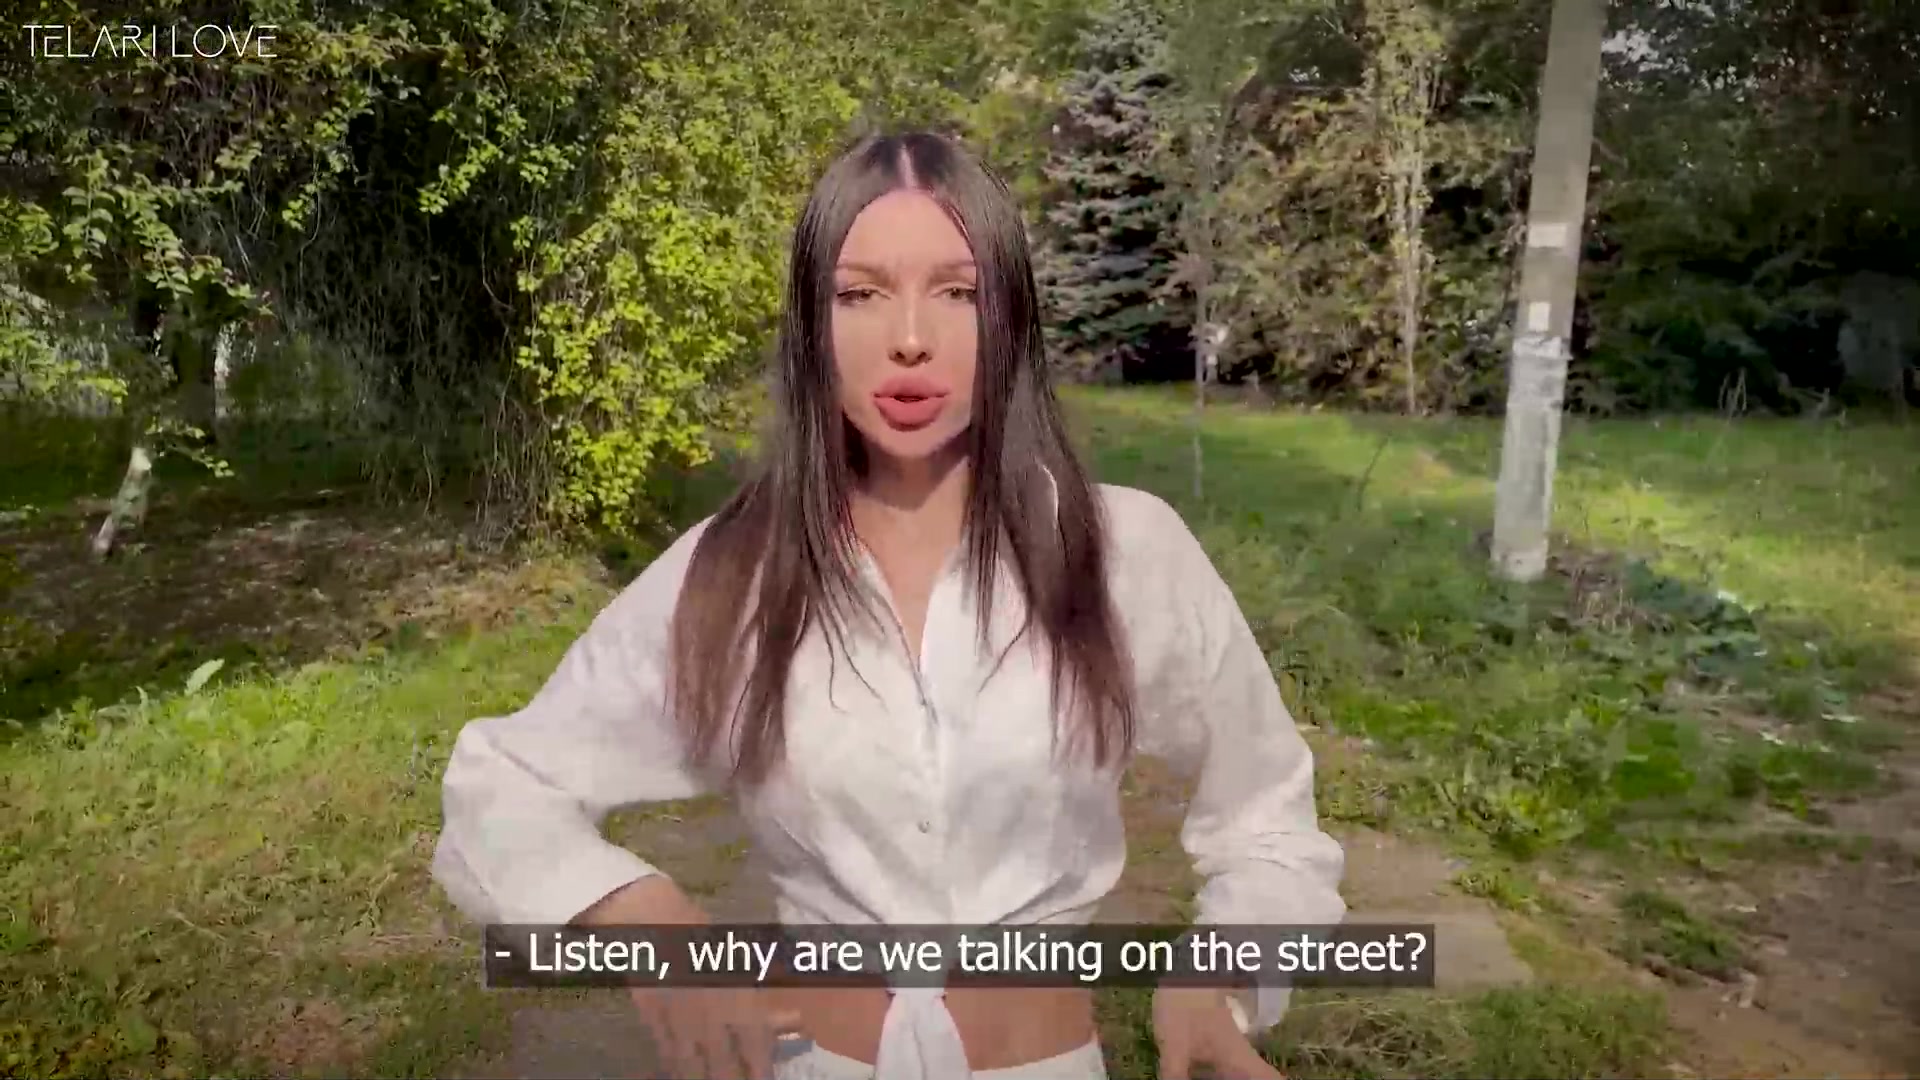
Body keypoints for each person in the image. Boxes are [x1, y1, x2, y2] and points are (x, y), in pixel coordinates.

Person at [431, 131, 1346, 1080]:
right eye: (860, 294)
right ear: (811, 325)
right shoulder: (733, 571)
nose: (911, 337)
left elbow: (1269, 822)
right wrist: (644, 919)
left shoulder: (1126, 552)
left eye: (958, 292)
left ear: (1011, 317)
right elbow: (502, 786)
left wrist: (1217, 980)